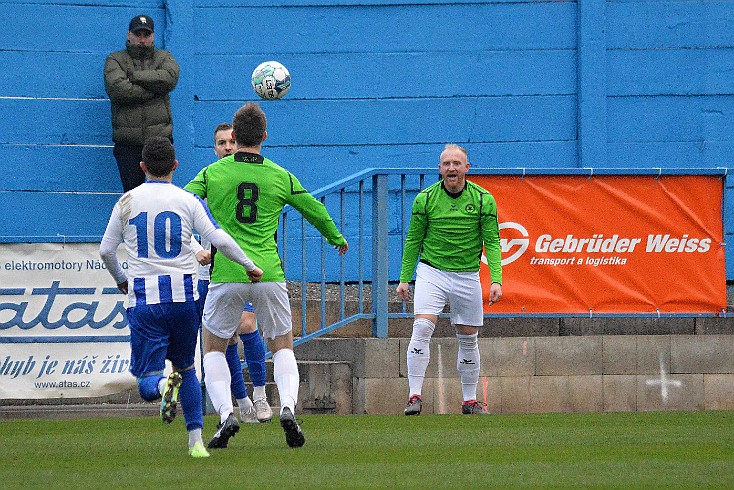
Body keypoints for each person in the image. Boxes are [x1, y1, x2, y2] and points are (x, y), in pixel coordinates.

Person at [185, 102, 348, 449]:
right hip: (269, 273)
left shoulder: (212, 173)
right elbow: (313, 209)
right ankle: (287, 407)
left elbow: (184, 201)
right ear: (264, 136)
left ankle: (227, 413)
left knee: (212, 349)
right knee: (283, 345)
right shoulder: (279, 174)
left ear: (235, 135)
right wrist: (336, 237)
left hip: (226, 271)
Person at [99, 136, 263, 458]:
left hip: (145, 299)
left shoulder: (127, 202)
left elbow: (106, 251)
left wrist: (121, 280)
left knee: (148, 379)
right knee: (187, 366)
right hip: (184, 299)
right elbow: (217, 237)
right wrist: (249, 264)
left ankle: (163, 388)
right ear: (175, 166)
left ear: (142, 166)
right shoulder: (188, 200)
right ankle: (196, 443)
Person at [396, 144, 503, 416]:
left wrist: (496, 280)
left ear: (467, 167)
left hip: (467, 274)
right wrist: (404, 278)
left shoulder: (483, 199)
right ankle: (414, 397)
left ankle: (469, 401)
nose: (451, 168)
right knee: (422, 327)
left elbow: (491, 240)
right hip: (432, 271)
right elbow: (413, 240)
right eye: (446, 164)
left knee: (468, 338)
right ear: (440, 169)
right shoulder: (425, 199)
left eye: (457, 163)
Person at [196, 123, 272, 424]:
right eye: (220, 143)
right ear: (214, 148)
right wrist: (195, 250)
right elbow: (184, 215)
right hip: (210, 274)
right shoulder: (208, 180)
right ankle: (241, 402)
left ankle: (261, 395)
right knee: (224, 339)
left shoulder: (251, 176)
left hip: (245, 268)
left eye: (231, 142)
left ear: (238, 143)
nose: (227, 147)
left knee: (247, 323)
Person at [104, 14, 180, 192]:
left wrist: (135, 77)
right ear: (129, 34)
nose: (142, 39)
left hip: (160, 141)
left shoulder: (164, 57)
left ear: (152, 36)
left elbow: (169, 78)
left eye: (146, 35)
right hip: (128, 145)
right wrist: (155, 89)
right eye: (138, 34)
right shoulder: (115, 59)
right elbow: (118, 90)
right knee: (132, 196)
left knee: (163, 194)